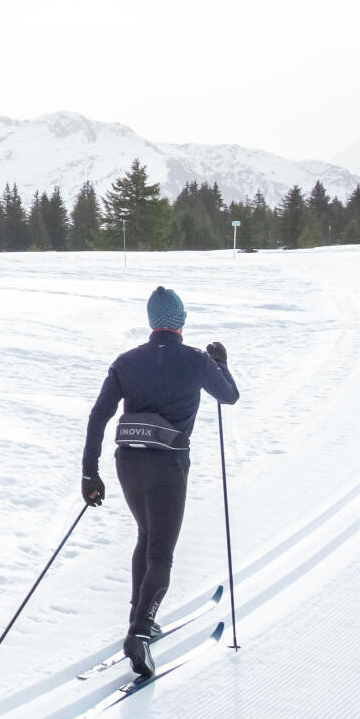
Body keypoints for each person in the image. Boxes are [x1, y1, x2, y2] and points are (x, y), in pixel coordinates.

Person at [81, 286, 238, 678]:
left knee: (146, 537)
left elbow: (98, 416)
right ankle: (139, 633)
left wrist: (90, 472)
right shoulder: (197, 361)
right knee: (161, 554)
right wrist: (221, 364)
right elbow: (229, 397)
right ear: (180, 322)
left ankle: (141, 618)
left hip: (128, 463)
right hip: (168, 467)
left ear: (152, 323)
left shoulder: (127, 361)